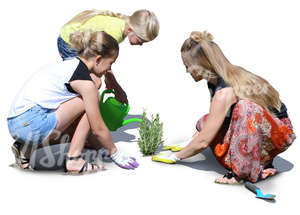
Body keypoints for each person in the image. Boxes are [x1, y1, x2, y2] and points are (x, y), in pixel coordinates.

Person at [153, 31, 296, 184]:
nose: (186, 71)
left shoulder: (224, 92)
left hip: (279, 135)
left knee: (244, 108)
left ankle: (242, 172)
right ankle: (254, 160)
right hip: (264, 130)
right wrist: (189, 142)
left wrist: (176, 157)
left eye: (187, 66)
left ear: (201, 65)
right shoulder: (216, 80)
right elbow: (213, 123)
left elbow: (204, 141)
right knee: (205, 121)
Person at [7, 30, 139, 174]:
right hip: (32, 123)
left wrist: (99, 148)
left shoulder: (70, 66)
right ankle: (74, 159)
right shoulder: (85, 83)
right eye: (110, 63)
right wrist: (115, 154)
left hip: (16, 122)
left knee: (75, 133)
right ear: (98, 59)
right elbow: (97, 128)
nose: (109, 68)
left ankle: (24, 148)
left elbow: (83, 127)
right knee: (92, 99)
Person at [57, 9, 160, 104]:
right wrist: (115, 86)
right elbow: (102, 62)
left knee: (92, 82)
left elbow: (103, 62)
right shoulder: (115, 34)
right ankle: (70, 112)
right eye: (140, 41)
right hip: (69, 43)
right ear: (130, 30)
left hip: (79, 41)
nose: (141, 44)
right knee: (88, 84)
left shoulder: (121, 24)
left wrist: (111, 81)